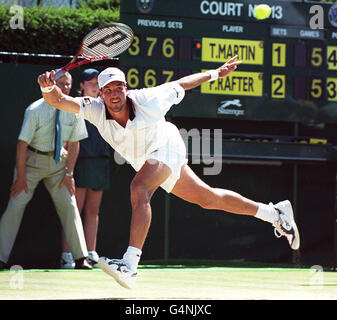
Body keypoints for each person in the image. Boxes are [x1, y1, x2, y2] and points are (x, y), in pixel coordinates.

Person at [37, 55, 300, 288]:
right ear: (101, 95)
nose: (115, 94)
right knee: (208, 199)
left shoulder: (149, 99)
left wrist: (216, 73)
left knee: (139, 188)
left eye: (119, 88)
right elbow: (59, 100)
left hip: (166, 145)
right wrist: (47, 86)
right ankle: (274, 213)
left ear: (126, 90)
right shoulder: (92, 108)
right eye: (108, 90)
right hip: (147, 159)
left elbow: (183, 83)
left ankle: (129, 265)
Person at [0, 71, 92, 271]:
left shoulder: (75, 110)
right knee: (15, 205)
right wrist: (21, 177)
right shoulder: (34, 110)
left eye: (68, 84)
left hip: (59, 164)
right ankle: (0, 258)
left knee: (70, 205)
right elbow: (22, 144)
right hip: (31, 163)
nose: (65, 88)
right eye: (61, 84)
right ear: (51, 85)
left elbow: (74, 144)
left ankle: (81, 258)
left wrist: (69, 174)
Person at [60, 69, 111, 269]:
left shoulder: (105, 105)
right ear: (81, 86)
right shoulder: (73, 105)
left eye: (97, 83)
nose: (95, 86)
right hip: (79, 161)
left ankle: (90, 253)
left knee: (93, 211)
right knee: (74, 211)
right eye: (90, 82)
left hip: (100, 161)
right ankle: (67, 255)